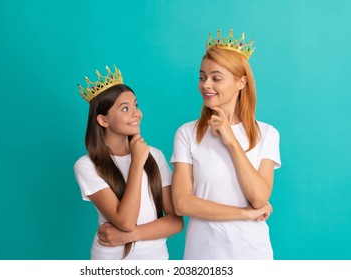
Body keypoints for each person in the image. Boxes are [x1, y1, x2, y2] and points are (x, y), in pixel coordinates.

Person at [171, 28, 281, 259]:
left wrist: (231, 141)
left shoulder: (267, 134)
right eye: (202, 77)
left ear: (241, 82)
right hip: (202, 256)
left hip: (252, 254)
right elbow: (182, 203)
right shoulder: (187, 133)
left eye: (216, 78)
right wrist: (244, 214)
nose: (206, 85)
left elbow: (259, 197)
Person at [74, 65, 183, 260]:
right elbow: (125, 221)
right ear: (103, 120)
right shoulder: (87, 165)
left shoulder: (155, 155)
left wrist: (132, 235)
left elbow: (175, 222)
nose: (136, 113)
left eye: (136, 105)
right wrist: (137, 162)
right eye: (125, 108)